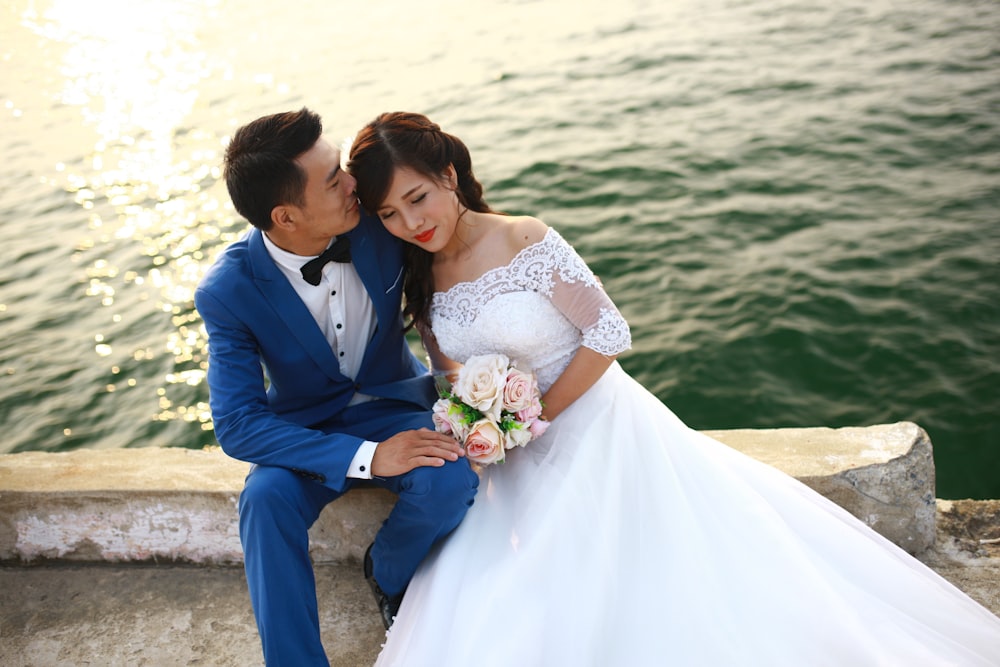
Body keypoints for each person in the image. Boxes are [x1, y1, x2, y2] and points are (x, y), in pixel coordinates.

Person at [347, 111, 1000, 666]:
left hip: (596, 421)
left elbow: (607, 331)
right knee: (492, 589)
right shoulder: (422, 278)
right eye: (390, 213)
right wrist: (481, 421)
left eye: (418, 198)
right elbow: (451, 371)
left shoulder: (526, 238)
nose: (410, 221)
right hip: (510, 452)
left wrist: (533, 412)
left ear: (449, 177)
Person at [194, 108, 479, 666]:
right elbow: (236, 424)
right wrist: (372, 458)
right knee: (264, 499)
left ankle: (388, 570)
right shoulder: (226, 291)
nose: (354, 183)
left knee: (449, 478)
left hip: (397, 402)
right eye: (333, 180)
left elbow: (458, 240)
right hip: (306, 427)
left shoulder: (382, 226)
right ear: (286, 215)